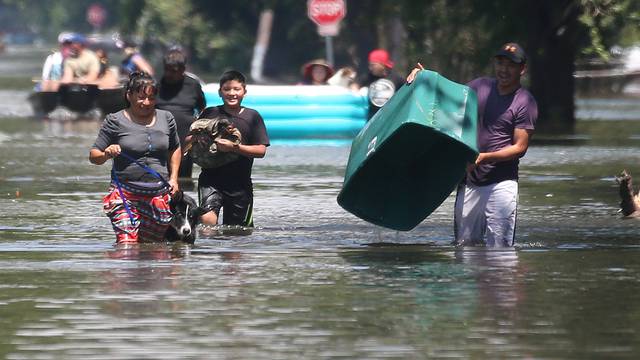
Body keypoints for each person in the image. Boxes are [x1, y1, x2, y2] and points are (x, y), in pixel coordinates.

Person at [407, 42, 538, 247]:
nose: (504, 69)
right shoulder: (479, 87)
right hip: (470, 181)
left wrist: (485, 157)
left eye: (511, 65)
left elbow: (520, 147)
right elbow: (449, 96)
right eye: (500, 63)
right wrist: (425, 78)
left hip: (501, 184)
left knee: (501, 251)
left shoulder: (524, 102)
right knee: (464, 249)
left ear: (522, 69)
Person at [89, 71, 182, 244]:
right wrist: (107, 153)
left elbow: (175, 148)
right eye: (141, 97)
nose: (146, 103)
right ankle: (123, 271)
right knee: (127, 245)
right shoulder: (114, 120)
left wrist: (174, 179)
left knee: (153, 248)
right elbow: (94, 156)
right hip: (125, 194)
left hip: (158, 195)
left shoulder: (166, 118)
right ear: (129, 95)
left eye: (151, 98)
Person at [192, 70, 269, 227]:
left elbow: (261, 151)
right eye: (227, 89)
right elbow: (188, 140)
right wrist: (196, 138)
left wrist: (235, 148)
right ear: (220, 92)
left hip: (240, 185)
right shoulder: (210, 113)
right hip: (210, 180)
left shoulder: (252, 116)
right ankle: (206, 251)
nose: (232, 93)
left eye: (236, 89)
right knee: (207, 221)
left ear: (244, 92)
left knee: (237, 233)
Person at [155, 48, 206, 180]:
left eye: (174, 71)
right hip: (159, 138)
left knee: (183, 179)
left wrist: (198, 128)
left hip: (185, 140)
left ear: (183, 70)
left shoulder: (193, 85)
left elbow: (202, 108)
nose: (169, 74)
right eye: (167, 69)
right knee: (159, 177)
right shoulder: (156, 85)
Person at [354, 49, 405, 120]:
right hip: (372, 118)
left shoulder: (396, 78)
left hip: (391, 117)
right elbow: (355, 86)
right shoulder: (368, 77)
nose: (370, 68)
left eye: (373, 65)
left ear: (382, 64)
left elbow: (408, 89)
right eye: (369, 65)